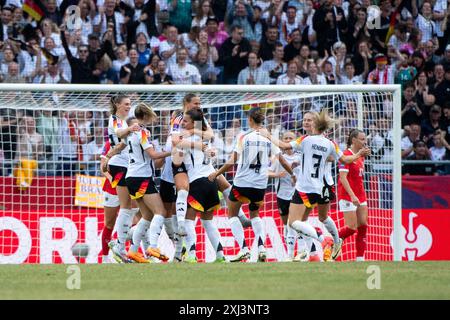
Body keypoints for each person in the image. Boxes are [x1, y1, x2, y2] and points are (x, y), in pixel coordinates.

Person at [262, 110, 370, 262]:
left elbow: (285, 146)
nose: (307, 123)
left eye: (310, 121)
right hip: (320, 187)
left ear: (314, 125)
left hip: (304, 187)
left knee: (293, 222)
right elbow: (344, 160)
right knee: (317, 218)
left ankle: (321, 240)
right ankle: (326, 244)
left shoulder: (305, 139)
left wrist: (268, 135)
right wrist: (358, 155)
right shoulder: (330, 143)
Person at [209, 108, 294, 262]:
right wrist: (293, 174)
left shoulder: (244, 137)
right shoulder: (269, 137)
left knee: (232, 214)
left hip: (242, 182)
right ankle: (262, 249)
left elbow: (232, 160)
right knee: (254, 214)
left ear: (250, 120)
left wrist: (216, 173)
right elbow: (282, 160)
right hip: (260, 184)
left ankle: (244, 249)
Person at [176, 108, 226, 263]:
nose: (182, 122)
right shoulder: (206, 136)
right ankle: (220, 255)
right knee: (207, 221)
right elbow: (208, 133)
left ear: (193, 122)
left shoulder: (185, 137)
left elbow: (177, 150)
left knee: (189, 220)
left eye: (185, 120)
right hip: (211, 182)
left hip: (197, 181)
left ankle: (191, 255)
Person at [124, 104, 171, 263]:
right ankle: (153, 246)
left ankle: (132, 251)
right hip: (141, 177)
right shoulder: (142, 132)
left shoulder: (131, 133)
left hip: (132, 176)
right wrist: (171, 151)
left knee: (147, 215)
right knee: (160, 211)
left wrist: (163, 155)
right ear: (146, 116)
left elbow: (153, 160)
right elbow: (152, 155)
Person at [103, 95, 140, 263]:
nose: (128, 107)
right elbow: (119, 133)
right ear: (117, 105)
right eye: (126, 104)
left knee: (133, 208)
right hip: (120, 166)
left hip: (127, 165)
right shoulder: (115, 120)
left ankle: (121, 245)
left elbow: (122, 143)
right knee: (127, 207)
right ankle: (119, 247)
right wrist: (131, 129)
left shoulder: (125, 121)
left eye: (130, 104)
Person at [267, 131, 301, 261]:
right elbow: (267, 173)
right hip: (282, 195)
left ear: (294, 140)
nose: (287, 140)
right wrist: (276, 175)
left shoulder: (300, 156)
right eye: (285, 138)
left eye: (290, 138)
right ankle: (289, 252)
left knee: (295, 224)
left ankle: (296, 252)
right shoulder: (278, 158)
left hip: (297, 195)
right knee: (286, 224)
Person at [337, 129, 369, 261]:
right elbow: (343, 178)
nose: (364, 141)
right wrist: (352, 196)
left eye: (365, 139)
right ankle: (331, 239)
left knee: (363, 225)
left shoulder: (361, 156)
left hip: (361, 196)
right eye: (362, 139)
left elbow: (359, 177)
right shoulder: (345, 155)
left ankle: (360, 259)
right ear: (354, 140)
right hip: (347, 196)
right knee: (351, 227)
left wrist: (360, 195)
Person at [99, 140, 120, 263]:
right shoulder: (108, 144)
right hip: (111, 188)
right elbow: (103, 168)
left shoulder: (133, 140)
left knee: (136, 221)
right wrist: (114, 181)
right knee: (109, 224)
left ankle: (133, 252)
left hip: (129, 186)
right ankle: (105, 258)